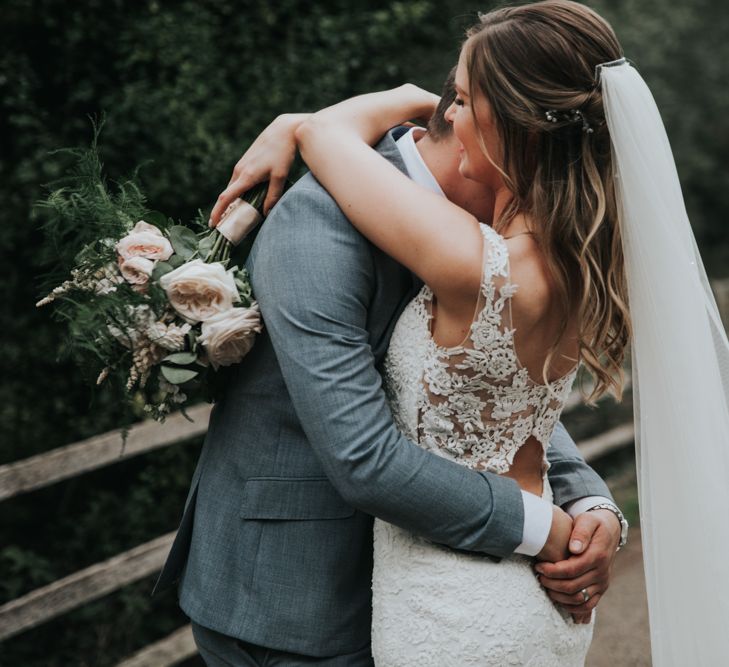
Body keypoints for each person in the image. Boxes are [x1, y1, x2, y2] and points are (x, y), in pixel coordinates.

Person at [216, 0, 729, 664]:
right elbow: (499, 399)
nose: (443, 114)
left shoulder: (475, 259)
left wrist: (319, 117)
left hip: (453, 614)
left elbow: (321, 134)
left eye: (459, 98)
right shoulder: (580, 256)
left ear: (516, 124)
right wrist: (587, 507)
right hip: (521, 606)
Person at [153, 62, 626, 667]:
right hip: (299, 598)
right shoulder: (317, 226)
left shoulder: (489, 246)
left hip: (426, 587)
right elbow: (364, 456)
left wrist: (589, 504)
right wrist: (543, 527)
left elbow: (487, 383)